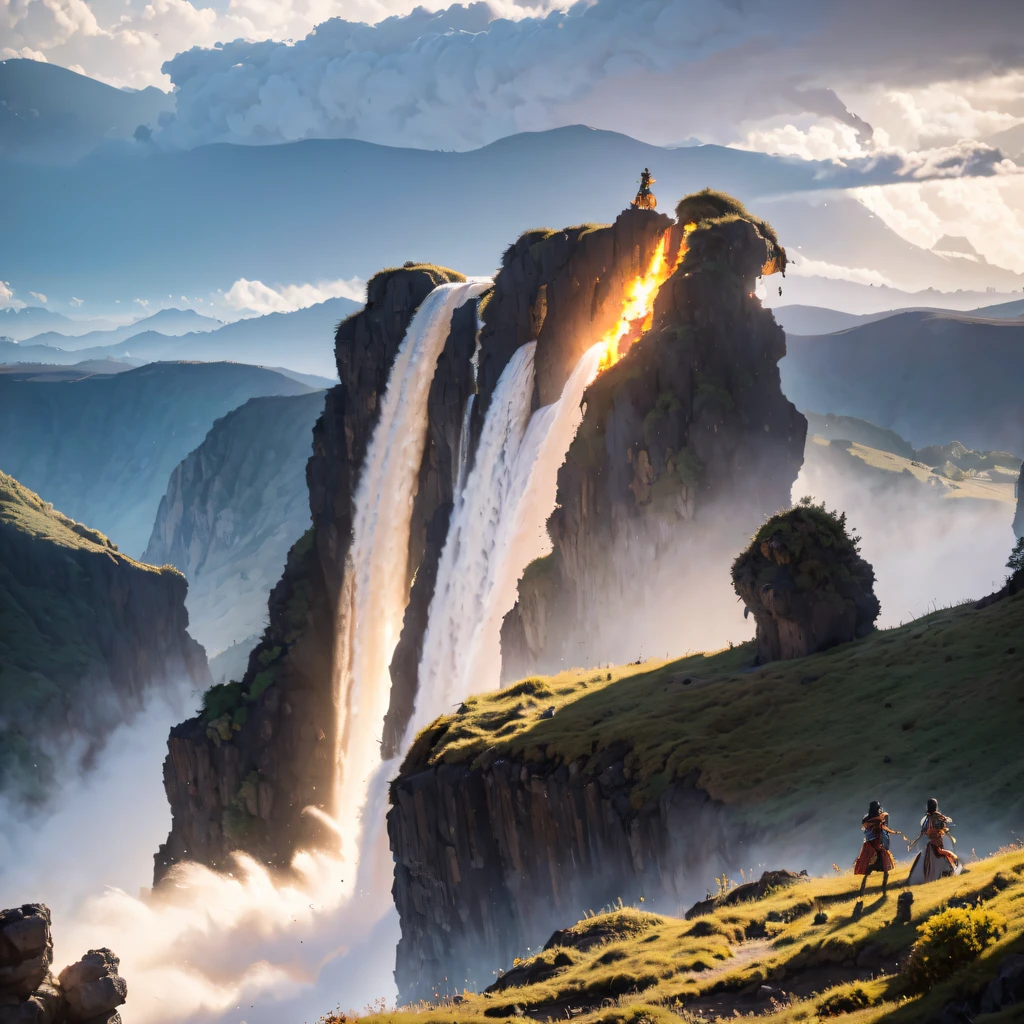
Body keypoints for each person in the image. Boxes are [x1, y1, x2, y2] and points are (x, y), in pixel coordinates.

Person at [907, 797, 961, 884]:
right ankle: (953, 868)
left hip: (934, 841)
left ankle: (949, 870)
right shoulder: (934, 816)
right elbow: (945, 823)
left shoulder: (929, 818)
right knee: (941, 853)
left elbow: (923, 831)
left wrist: (914, 842)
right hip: (936, 841)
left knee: (934, 856)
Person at [853, 800, 897, 893]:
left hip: (869, 844)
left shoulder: (865, 819)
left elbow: (866, 830)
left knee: (870, 863)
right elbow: (884, 829)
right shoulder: (880, 818)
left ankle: (868, 882)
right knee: (883, 862)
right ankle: (883, 885)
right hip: (877, 843)